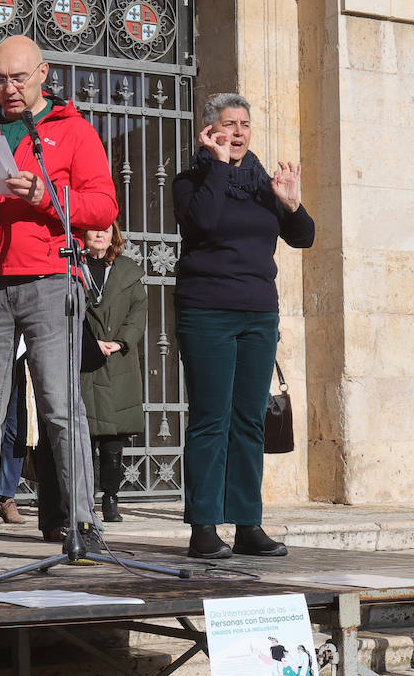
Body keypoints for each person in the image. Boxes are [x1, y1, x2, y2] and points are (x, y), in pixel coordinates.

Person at [0, 34, 118, 565]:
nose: (8, 89)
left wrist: (49, 199)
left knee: (61, 409)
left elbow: (103, 207)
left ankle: (83, 524)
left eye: (18, 78)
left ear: (43, 74)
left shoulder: (72, 130)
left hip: (49, 282)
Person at [174, 92, 314, 559]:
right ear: (210, 131)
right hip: (207, 311)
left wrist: (291, 204)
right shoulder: (190, 181)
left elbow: (304, 237)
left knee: (250, 421)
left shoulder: (263, 185)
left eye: (245, 124)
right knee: (211, 420)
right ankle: (204, 528)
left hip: (258, 313)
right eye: (228, 124)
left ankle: (248, 524)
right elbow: (205, 223)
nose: (237, 132)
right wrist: (217, 166)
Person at [79, 222, 146, 525]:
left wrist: (120, 341)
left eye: (106, 230)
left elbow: (138, 311)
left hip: (117, 360)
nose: (100, 234)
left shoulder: (127, 271)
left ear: (114, 236)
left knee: (113, 437)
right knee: (83, 434)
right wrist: (89, 342)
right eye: (94, 230)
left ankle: (110, 498)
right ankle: (82, 500)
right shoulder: (72, 266)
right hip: (82, 357)